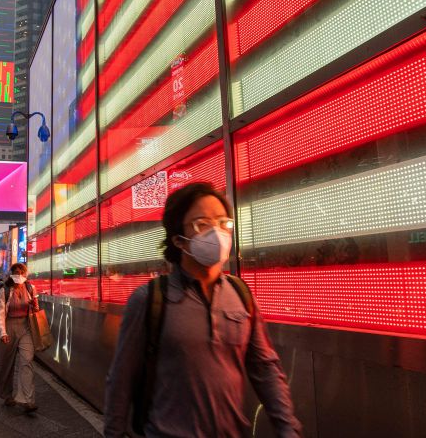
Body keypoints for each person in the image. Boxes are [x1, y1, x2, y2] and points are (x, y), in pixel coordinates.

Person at [104, 182, 302, 437]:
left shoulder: (241, 295)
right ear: (178, 240)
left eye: (223, 223)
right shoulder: (149, 299)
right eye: (202, 224)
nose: (217, 233)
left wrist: (289, 429)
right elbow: (121, 379)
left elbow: (265, 368)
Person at [0, 263, 39, 412]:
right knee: (7, 364)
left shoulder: (30, 288)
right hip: (9, 327)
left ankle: (27, 400)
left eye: (21, 272)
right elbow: (0, 312)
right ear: (12, 274)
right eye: (16, 272)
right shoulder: (5, 290)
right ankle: (7, 395)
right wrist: (3, 333)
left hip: (26, 327)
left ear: (25, 274)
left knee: (27, 361)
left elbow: (36, 310)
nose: (19, 275)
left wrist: (35, 305)